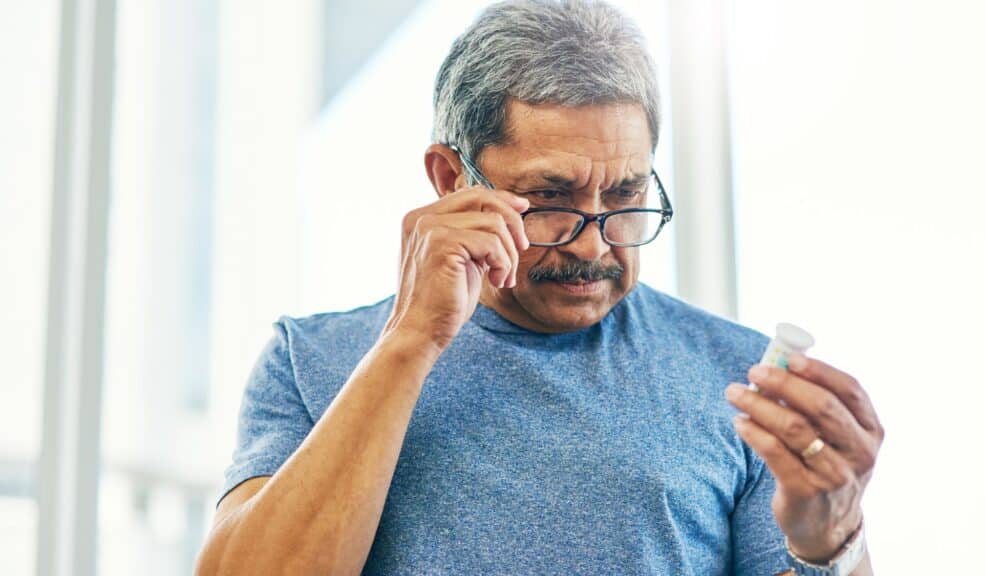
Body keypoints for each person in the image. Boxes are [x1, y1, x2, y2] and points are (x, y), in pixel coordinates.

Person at [195, 1, 883, 574]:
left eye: (625, 194)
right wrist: (409, 343)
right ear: (450, 180)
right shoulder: (309, 360)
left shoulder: (740, 378)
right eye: (551, 197)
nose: (593, 244)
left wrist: (831, 545)